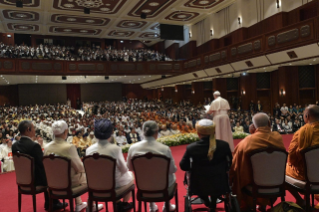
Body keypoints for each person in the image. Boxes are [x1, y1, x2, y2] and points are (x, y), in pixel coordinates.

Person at [230, 113, 285, 211]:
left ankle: (250, 205)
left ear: (253, 126)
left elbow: (235, 167)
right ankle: (263, 203)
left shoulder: (247, 141)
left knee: (241, 172)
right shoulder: (278, 138)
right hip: (276, 182)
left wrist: (253, 134)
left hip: (254, 186)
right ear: (269, 123)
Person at [44, 120, 103, 212]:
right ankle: (91, 205)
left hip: (52, 184)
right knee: (91, 174)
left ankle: (79, 203)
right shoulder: (69, 147)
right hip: (69, 184)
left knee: (72, 172)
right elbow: (80, 168)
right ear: (66, 132)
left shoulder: (47, 147)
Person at [12, 120, 68, 211]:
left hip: (22, 180)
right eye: (33, 128)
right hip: (36, 181)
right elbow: (43, 163)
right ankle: (53, 202)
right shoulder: (34, 146)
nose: (35, 130)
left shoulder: (14, 146)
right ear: (28, 129)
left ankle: (50, 202)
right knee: (50, 172)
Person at [179, 119, 232, 211]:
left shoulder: (192, 148)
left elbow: (183, 166)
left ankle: (206, 200)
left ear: (198, 133)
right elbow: (230, 163)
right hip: (220, 182)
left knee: (199, 181)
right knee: (216, 181)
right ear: (214, 132)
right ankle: (213, 201)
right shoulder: (224, 145)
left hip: (198, 184)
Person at [127, 121, 177, 212]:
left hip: (143, 187)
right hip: (163, 188)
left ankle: (152, 206)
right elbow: (173, 170)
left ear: (142, 132)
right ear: (157, 132)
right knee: (171, 176)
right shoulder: (164, 148)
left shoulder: (133, 148)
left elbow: (130, 168)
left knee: (146, 175)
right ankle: (167, 205)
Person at [86, 119, 134, 211]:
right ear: (110, 133)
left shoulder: (89, 150)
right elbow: (124, 170)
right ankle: (122, 204)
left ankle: (119, 203)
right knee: (130, 176)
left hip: (95, 185)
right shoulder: (115, 149)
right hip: (113, 187)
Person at [286, 105, 319, 206]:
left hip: (307, 176)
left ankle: (300, 200)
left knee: (282, 169)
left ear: (307, 116)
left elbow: (291, 158)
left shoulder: (302, 132)